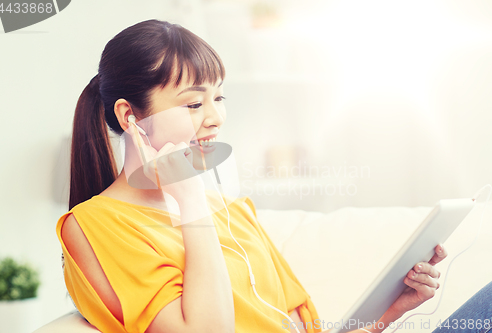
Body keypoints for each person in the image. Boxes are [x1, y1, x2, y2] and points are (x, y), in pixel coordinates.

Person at [55, 19, 491, 333]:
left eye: (219, 98)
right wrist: (191, 203)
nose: (215, 119)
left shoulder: (230, 210)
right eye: (193, 104)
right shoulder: (95, 226)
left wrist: (391, 311)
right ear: (130, 115)